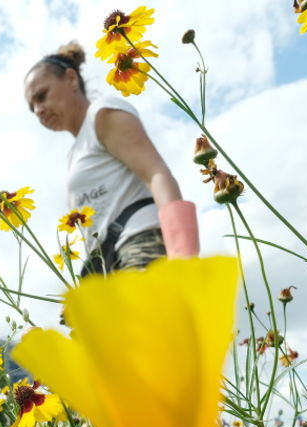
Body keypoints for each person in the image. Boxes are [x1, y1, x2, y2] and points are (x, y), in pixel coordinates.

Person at [23, 41, 199, 275]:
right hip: (107, 265)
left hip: (139, 244)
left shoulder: (103, 113)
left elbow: (156, 174)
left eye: (42, 96)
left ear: (71, 79)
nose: (38, 110)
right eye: (31, 106)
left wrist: (183, 255)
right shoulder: (74, 154)